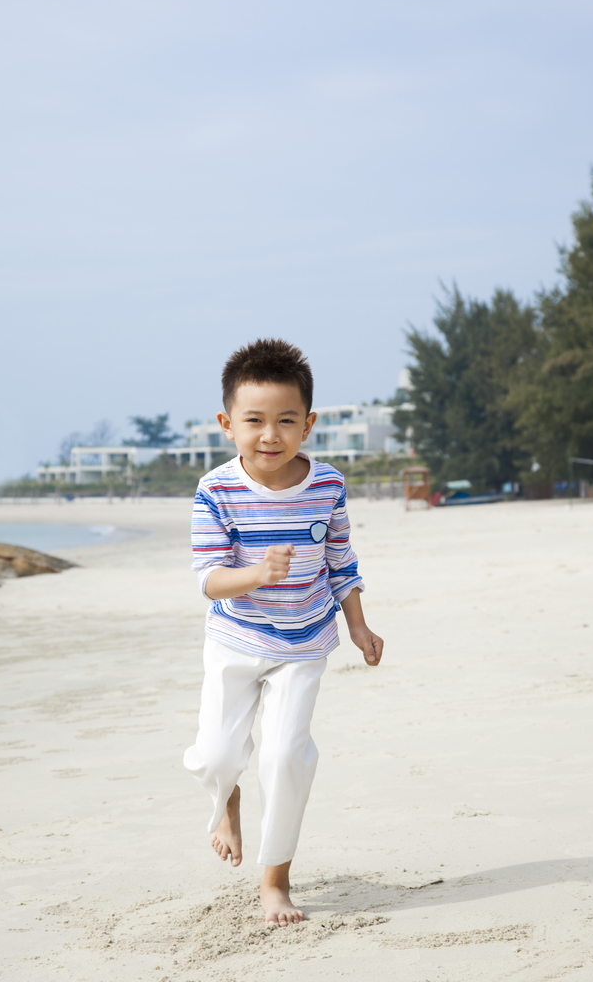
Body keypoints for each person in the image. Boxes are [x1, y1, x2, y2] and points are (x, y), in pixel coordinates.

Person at [183, 338, 384, 928]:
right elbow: (211, 580)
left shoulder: (327, 486)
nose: (270, 435)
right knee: (216, 755)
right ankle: (226, 798)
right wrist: (257, 573)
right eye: (255, 421)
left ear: (309, 425)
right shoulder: (215, 491)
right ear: (227, 424)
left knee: (285, 757)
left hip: (304, 643)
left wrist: (359, 626)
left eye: (285, 421)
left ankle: (275, 880)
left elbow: (342, 562)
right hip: (236, 641)